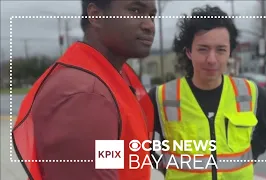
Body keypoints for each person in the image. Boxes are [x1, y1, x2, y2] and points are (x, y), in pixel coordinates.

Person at [12, 0, 157, 180]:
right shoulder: (87, 94)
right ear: (96, 16)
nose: (150, 25)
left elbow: (112, 163)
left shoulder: (106, 78)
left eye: (152, 16)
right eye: (135, 10)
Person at [148, 5, 266, 180]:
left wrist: (250, 155)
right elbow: (130, 139)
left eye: (220, 50)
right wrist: (162, 165)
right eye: (203, 49)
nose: (211, 59)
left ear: (230, 53)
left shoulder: (250, 92)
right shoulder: (161, 97)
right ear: (188, 52)